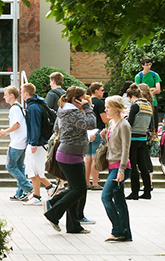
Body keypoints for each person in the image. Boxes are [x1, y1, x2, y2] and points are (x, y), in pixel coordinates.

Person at [43, 86, 96, 234]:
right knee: (79, 190)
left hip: (69, 153)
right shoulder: (71, 111)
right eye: (83, 98)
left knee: (75, 189)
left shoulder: (64, 110)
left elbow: (57, 128)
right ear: (75, 99)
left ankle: (73, 226)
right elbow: (91, 123)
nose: (86, 100)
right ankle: (53, 212)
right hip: (70, 155)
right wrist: (87, 108)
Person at [100, 95, 132, 242]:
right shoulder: (111, 123)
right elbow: (113, 146)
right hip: (112, 165)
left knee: (105, 196)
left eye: (108, 107)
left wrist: (122, 170)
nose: (105, 109)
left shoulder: (124, 125)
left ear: (116, 108)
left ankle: (117, 230)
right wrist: (104, 137)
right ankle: (125, 233)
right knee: (119, 200)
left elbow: (126, 149)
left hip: (119, 167)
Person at [21, 83, 56, 205]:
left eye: (22, 91)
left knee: (35, 169)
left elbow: (35, 125)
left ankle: (49, 188)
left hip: (37, 142)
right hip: (38, 141)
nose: (21, 93)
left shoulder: (33, 107)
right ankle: (39, 194)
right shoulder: (37, 104)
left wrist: (34, 142)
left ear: (26, 93)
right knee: (32, 169)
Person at [0, 85, 33, 201]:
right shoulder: (19, 107)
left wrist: (5, 132)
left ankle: (29, 188)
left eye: (5, 95)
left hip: (16, 143)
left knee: (10, 166)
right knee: (19, 167)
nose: (4, 97)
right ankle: (20, 193)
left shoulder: (14, 108)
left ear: (12, 96)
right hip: (22, 142)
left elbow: (16, 124)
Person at [125, 83, 153, 200]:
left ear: (132, 96)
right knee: (143, 166)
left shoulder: (135, 106)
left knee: (133, 166)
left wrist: (124, 118)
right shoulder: (148, 105)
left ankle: (135, 191)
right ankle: (147, 191)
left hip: (133, 138)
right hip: (143, 137)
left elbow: (129, 123)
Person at [86, 82, 106, 190]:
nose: (103, 92)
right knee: (95, 157)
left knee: (88, 158)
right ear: (96, 90)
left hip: (87, 131)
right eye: (102, 90)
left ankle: (86, 182)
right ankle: (94, 182)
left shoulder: (87, 102)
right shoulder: (99, 103)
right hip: (97, 131)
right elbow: (104, 119)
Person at [134, 56, 161, 122]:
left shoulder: (155, 75)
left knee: (155, 123)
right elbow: (139, 92)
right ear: (142, 65)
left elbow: (158, 90)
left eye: (150, 65)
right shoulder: (138, 77)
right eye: (146, 65)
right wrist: (152, 89)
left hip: (153, 102)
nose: (149, 67)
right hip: (143, 104)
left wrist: (146, 89)